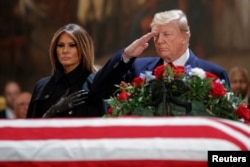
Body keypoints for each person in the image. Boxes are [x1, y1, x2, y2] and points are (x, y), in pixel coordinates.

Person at [92, 9, 230, 100]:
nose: (159, 40)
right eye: (156, 35)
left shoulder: (213, 73)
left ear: (185, 38)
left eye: (167, 34)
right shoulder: (138, 69)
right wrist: (126, 56)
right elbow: (97, 90)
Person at [26, 23, 105, 118]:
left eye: (72, 45)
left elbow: (106, 127)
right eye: (60, 45)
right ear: (55, 49)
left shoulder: (95, 84)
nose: (65, 51)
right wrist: (53, 112)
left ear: (83, 48)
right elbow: (30, 128)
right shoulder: (42, 86)